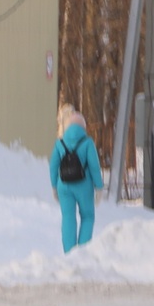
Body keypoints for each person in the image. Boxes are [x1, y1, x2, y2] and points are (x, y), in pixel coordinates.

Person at [52, 103, 102, 251]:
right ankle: (82, 250)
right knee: (87, 216)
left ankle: (69, 252)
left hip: (64, 186)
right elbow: (94, 166)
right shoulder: (87, 143)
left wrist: (54, 186)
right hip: (83, 186)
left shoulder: (59, 144)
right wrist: (99, 187)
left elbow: (53, 166)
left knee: (68, 217)